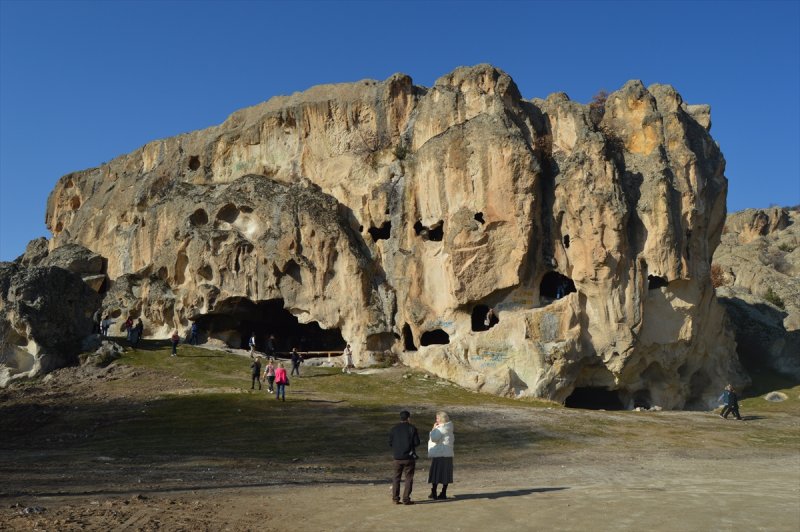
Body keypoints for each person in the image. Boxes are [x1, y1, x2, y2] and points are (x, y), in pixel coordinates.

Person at [389, 410, 420, 505]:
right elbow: (417, 443)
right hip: (409, 457)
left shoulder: (394, 429)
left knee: (396, 478)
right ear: (408, 418)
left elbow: (390, 443)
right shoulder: (412, 428)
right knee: (408, 478)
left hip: (397, 457)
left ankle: (395, 498)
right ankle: (406, 499)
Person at [427, 411, 455, 500]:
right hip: (448, 454)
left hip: (440, 453)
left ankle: (434, 492)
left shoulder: (440, 429)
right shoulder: (449, 428)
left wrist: (433, 429)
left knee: (436, 474)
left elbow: (434, 438)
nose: (436, 420)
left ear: (442, 419)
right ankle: (443, 492)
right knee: (445, 474)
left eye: (437, 418)